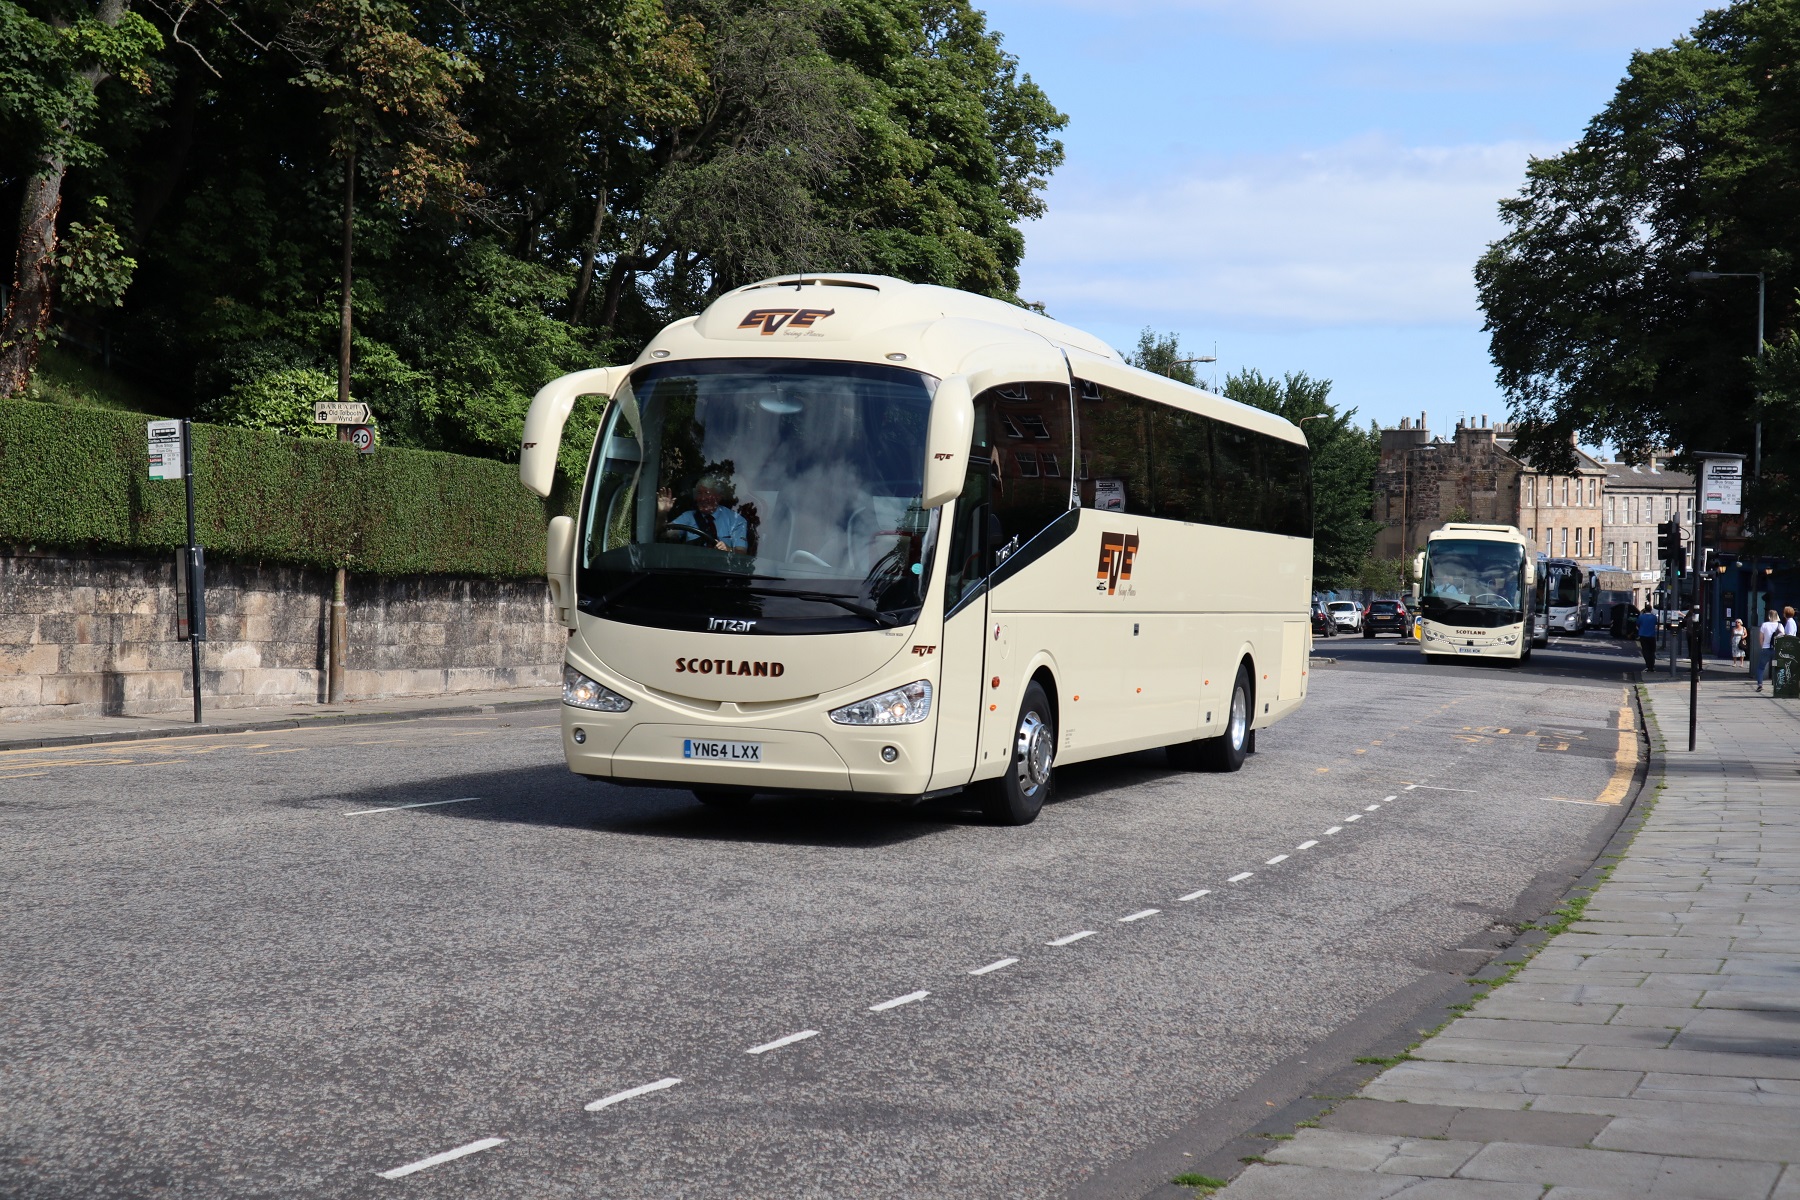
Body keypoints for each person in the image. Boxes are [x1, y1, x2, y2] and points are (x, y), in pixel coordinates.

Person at [670, 474, 749, 553]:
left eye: (707, 493)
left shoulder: (736, 520)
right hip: (691, 563)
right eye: (699, 493)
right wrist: (662, 514)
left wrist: (728, 550)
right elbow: (666, 533)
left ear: (718, 497)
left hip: (722, 564)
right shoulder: (688, 517)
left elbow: (741, 553)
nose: (702, 498)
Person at [1756, 608, 1783, 692]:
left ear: (1769, 616)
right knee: (1778, 667)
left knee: (1761, 667)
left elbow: (1761, 638)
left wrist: (1762, 646)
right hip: (1776, 649)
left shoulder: (1764, 625)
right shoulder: (1780, 625)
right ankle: (1778, 684)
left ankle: (1760, 684)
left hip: (1766, 648)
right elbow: (1782, 638)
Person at [1637, 606, 1659, 671]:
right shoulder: (1654, 617)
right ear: (1651, 610)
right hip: (1651, 636)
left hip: (1643, 635)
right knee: (1652, 651)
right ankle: (1652, 666)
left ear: (1645, 610)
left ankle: (1648, 665)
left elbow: (1638, 624)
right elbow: (1656, 623)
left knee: (1645, 651)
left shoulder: (1641, 617)